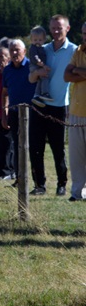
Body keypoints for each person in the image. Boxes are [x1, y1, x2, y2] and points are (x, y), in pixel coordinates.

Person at [28, 15, 75, 196]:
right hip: (39, 104)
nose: (56, 31)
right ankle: (39, 185)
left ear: (67, 29)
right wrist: (38, 72)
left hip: (59, 106)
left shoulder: (74, 50)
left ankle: (62, 184)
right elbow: (31, 78)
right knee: (35, 147)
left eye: (59, 28)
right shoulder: (42, 49)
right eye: (53, 28)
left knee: (58, 148)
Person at [0, 39, 35, 185]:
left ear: (24, 51)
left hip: (33, 113)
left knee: (34, 147)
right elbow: (4, 93)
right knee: (17, 146)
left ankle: (38, 183)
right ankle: (20, 179)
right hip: (14, 113)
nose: (14, 53)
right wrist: (4, 114)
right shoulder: (7, 70)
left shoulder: (31, 67)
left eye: (17, 50)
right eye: (12, 50)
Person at [63, 22, 86, 201]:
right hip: (76, 111)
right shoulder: (78, 51)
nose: (85, 37)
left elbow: (73, 74)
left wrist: (77, 71)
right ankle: (77, 192)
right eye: (84, 33)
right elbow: (66, 75)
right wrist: (80, 71)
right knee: (76, 156)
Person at [0, 45, 13, 179]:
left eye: (3, 56)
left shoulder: (10, 73)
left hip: (8, 112)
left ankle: (8, 170)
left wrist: (6, 112)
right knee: (0, 142)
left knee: (8, 143)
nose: (0, 59)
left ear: (9, 58)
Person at [28, 25, 53, 107]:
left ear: (44, 40)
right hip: (35, 66)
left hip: (38, 65)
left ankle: (37, 95)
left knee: (40, 80)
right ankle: (45, 93)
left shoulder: (42, 48)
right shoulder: (33, 48)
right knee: (44, 77)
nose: (37, 42)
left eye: (40, 40)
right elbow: (34, 56)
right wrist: (39, 62)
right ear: (31, 40)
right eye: (35, 40)